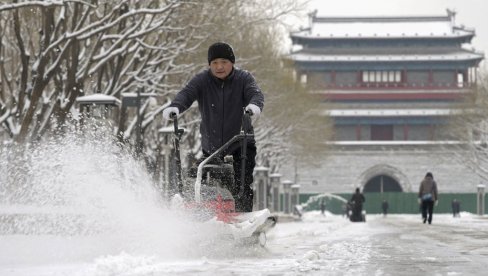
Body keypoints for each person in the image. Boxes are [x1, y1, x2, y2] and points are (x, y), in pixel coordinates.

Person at [162, 42, 264, 212]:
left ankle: (242, 215)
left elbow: (256, 94)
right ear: (209, 64)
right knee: (196, 179)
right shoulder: (202, 80)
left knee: (242, 183)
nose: (219, 67)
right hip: (213, 147)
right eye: (214, 63)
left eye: (224, 62)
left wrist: (253, 107)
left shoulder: (244, 79)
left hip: (241, 145)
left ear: (232, 62)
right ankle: (199, 213)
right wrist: (175, 107)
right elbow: (187, 93)